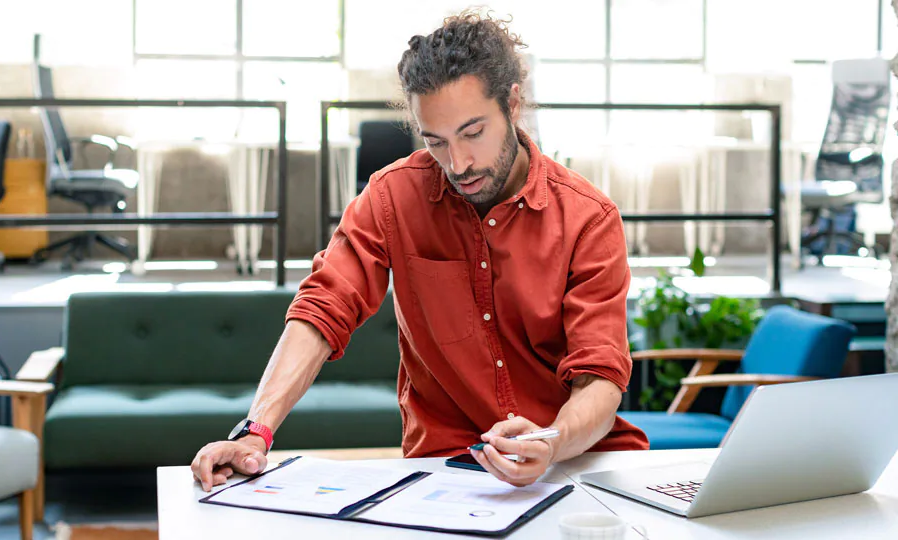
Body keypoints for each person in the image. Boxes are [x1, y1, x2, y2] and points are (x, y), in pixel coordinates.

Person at [191, 10, 648, 492]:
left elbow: (599, 376)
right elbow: (322, 309)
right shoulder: (392, 197)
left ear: (513, 104)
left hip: (580, 461)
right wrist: (255, 431)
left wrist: (553, 441)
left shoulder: (587, 218)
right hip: (446, 469)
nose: (459, 163)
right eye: (436, 141)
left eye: (473, 133)